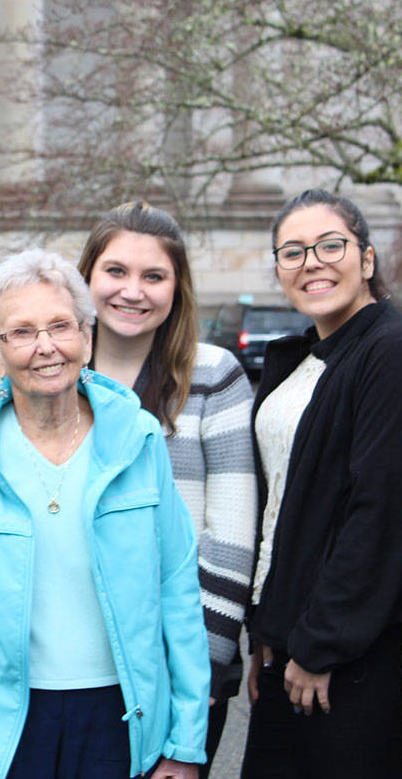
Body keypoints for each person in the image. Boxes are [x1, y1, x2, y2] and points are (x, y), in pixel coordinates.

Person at [0, 249, 210, 779]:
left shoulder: (138, 439)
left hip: (121, 719)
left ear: (87, 338)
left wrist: (186, 742)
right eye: (22, 332)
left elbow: (177, 591)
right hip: (1, 728)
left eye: (61, 326)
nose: (46, 347)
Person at [241, 189, 402, 778]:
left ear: (368, 259)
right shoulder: (312, 355)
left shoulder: (394, 353)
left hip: (345, 659)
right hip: (292, 643)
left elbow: (380, 515)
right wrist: (271, 635)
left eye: (331, 245)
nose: (312, 262)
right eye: (293, 252)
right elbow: (286, 505)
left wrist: (320, 645)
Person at [77, 201, 257, 771]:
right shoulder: (54, 375)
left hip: (178, 656)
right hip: (72, 660)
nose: (133, 291)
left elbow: (228, 536)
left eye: (154, 276)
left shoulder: (213, 377)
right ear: (86, 278)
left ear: (177, 289)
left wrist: (195, 664)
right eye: (116, 271)